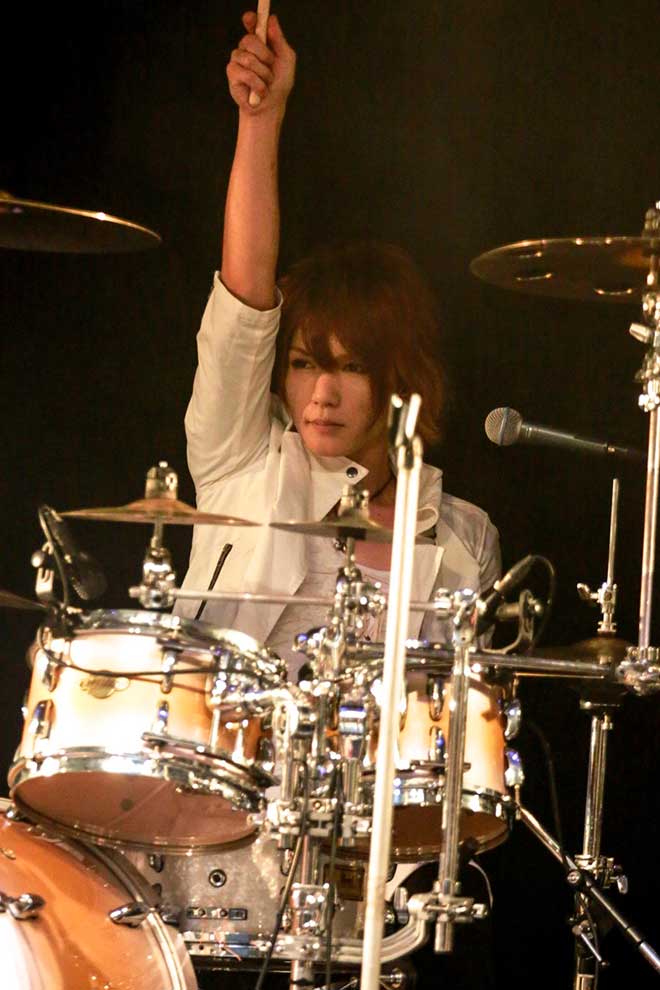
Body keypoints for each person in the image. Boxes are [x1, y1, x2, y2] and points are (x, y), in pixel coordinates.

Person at [175, 9, 501, 989]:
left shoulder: (463, 538)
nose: (320, 392)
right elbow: (245, 297)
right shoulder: (241, 460)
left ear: (399, 382)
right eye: (306, 364)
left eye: (351, 368)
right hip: (202, 859)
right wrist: (260, 121)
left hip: (368, 904)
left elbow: (457, 750)